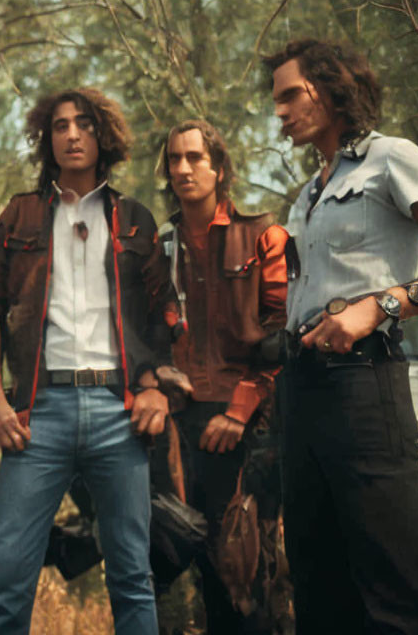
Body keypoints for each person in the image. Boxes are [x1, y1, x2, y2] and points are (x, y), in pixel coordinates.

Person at [263, 38, 418, 633]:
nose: (281, 112)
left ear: (331, 87)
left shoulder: (391, 158)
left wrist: (383, 305)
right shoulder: (307, 195)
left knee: (399, 584)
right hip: (302, 391)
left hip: (364, 386)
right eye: (277, 101)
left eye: (291, 95)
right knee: (320, 587)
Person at [0, 87, 174, 635]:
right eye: (60, 125)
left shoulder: (134, 219)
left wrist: (154, 389)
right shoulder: (21, 214)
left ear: (103, 135)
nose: (72, 134)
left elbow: (163, 317)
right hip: (39, 414)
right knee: (7, 573)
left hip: (117, 411)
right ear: (47, 139)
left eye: (83, 124)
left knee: (132, 574)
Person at [153, 120, 290, 633]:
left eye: (195, 157)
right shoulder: (157, 249)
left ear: (220, 168)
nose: (183, 168)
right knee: (186, 570)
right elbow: (141, 335)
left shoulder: (263, 237)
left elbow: (284, 337)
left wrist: (239, 411)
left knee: (247, 572)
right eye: (174, 159)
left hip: (248, 427)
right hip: (178, 425)